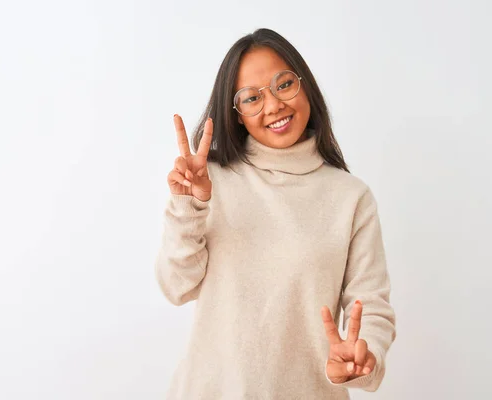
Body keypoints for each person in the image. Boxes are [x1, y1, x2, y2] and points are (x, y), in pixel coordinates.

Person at [154, 28, 396, 400]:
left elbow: (372, 308)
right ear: (235, 115)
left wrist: (362, 357)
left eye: (283, 85)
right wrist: (189, 205)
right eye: (251, 97)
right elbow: (176, 287)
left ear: (305, 86)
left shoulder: (351, 197)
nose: (273, 106)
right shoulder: (211, 180)